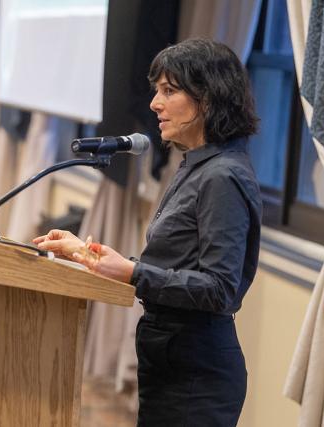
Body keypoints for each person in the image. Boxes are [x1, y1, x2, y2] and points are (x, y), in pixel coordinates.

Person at [34, 38, 262, 426]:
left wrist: (132, 273)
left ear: (208, 98)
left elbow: (220, 288)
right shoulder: (196, 165)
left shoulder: (223, 176)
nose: (155, 103)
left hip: (196, 375)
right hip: (171, 360)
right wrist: (87, 255)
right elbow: (176, 264)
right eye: (157, 90)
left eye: (169, 91)